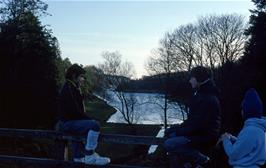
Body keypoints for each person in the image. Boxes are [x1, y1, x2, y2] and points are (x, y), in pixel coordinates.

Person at [163, 66, 221, 167]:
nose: (190, 81)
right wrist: (176, 128)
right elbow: (192, 121)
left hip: (205, 136)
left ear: (199, 78)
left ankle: (203, 160)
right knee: (170, 137)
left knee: (169, 144)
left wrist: (177, 132)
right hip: (198, 133)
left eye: (192, 78)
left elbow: (198, 125)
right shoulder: (201, 94)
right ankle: (190, 163)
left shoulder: (207, 98)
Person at [56, 64, 110, 165]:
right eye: (81, 76)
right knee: (95, 125)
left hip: (68, 122)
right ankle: (89, 155)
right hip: (67, 123)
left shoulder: (72, 87)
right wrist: (90, 120)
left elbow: (77, 111)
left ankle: (79, 157)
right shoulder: (69, 88)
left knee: (80, 131)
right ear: (74, 76)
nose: (83, 79)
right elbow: (75, 111)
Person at [221, 88, 266, 168]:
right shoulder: (260, 129)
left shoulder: (250, 130)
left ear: (246, 110)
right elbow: (249, 147)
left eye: (242, 108)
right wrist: (234, 139)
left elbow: (234, 153)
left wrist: (225, 139)